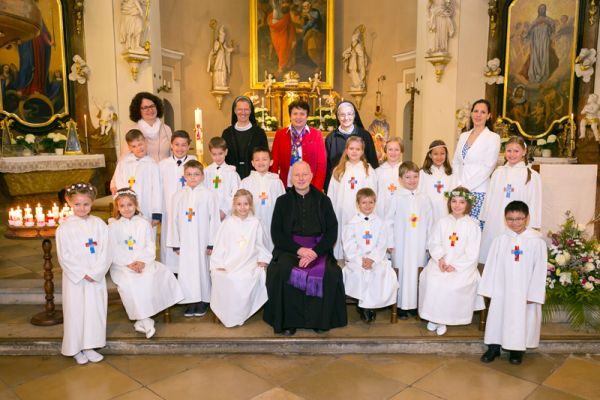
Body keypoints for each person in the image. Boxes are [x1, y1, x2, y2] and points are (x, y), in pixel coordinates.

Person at [263, 161, 347, 335]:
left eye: (304, 174)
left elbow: (332, 231)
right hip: (290, 250)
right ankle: (288, 322)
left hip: (318, 249)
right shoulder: (282, 201)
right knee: (283, 270)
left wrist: (315, 252)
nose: (301, 178)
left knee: (331, 273)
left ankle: (320, 320)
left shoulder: (324, 200)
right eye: (297, 175)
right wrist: (299, 250)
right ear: (291, 178)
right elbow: (277, 233)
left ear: (311, 176)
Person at [479, 201, 547, 365]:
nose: (514, 223)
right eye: (510, 219)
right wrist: (489, 289)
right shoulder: (500, 240)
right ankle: (494, 347)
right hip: (502, 288)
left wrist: (534, 293)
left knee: (520, 318)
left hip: (524, 290)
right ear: (505, 219)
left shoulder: (536, 241)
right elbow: (491, 265)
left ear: (527, 218)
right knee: (498, 316)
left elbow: (540, 269)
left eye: (519, 218)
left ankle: (517, 350)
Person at [109, 189, 184, 338]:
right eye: (122, 206)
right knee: (130, 281)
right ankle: (145, 320)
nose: (126, 209)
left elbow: (150, 245)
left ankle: (141, 320)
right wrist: (129, 263)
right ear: (117, 208)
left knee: (151, 275)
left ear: (136, 205)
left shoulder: (143, 223)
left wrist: (142, 261)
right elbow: (113, 248)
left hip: (144, 261)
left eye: (130, 205)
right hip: (122, 264)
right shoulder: (113, 226)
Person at [418, 187, 485, 336]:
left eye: (462, 202)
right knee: (431, 279)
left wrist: (455, 266)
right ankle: (434, 317)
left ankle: (442, 320)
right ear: (449, 203)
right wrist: (440, 259)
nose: (457, 205)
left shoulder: (472, 225)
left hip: (462, 266)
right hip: (441, 262)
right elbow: (434, 242)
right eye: (454, 201)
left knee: (449, 285)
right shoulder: (442, 222)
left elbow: (472, 253)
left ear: (468, 204)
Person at [56, 182, 110, 365]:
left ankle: (90, 346)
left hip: (95, 277)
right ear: (69, 203)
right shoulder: (65, 228)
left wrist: (96, 272)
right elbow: (64, 256)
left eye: (86, 204)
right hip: (76, 280)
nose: (82, 208)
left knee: (94, 311)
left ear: (92, 202)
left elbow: (107, 250)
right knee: (76, 312)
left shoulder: (99, 224)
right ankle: (75, 348)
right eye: (77, 204)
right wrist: (81, 273)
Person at [210, 189, 272, 327]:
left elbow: (260, 243)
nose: (242, 207)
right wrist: (218, 263)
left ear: (251, 205)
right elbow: (220, 244)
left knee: (243, 279)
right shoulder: (227, 223)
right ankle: (230, 314)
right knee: (228, 277)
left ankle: (241, 314)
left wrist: (263, 259)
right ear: (234, 205)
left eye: (246, 204)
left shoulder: (255, 223)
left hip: (249, 262)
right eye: (239, 204)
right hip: (229, 261)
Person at [167, 160, 220, 318]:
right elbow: (173, 220)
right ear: (184, 176)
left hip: (203, 240)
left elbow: (214, 219)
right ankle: (189, 301)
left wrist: (212, 243)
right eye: (189, 174)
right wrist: (175, 243)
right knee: (187, 271)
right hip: (185, 241)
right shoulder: (178, 196)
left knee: (202, 269)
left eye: (196, 174)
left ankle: (203, 300)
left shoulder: (209, 195)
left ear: (202, 176)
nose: (193, 177)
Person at [479, 136, 541, 263]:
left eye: (516, 151)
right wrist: (485, 216)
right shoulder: (498, 172)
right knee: (494, 254)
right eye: (509, 151)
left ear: (524, 152)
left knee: (513, 257)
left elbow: (535, 201)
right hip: (496, 219)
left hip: (518, 222)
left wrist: (534, 224)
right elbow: (490, 195)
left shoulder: (532, 175)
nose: (512, 154)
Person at [342, 188, 398, 323]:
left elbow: (382, 243)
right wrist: (361, 259)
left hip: (376, 259)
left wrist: (372, 259)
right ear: (358, 204)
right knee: (359, 273)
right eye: (364, 202)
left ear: (375, 203)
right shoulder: (351, 223)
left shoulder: (380, 222)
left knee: (378, 272)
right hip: (357, 260)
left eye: (371, 202)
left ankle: (369, 307)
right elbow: (349, 244)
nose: (367, 206)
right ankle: (363, 306)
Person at [385, 161, 433, 319]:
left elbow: (430, 222)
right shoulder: (396, 197)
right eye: (408, 177)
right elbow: (388, 221)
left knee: (417, 272)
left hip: (419, 243)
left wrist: (429, 243)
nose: (412, 180)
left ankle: (415, 305)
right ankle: (400, 306)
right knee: (402, 272)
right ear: (400, 179)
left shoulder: (424, 198)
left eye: (415, 176)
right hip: (401, 243)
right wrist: (390, 242)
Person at [451, 99, 501, 229]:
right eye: (476, 111)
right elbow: (456, 162)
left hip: (479, 191)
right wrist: (458, 184)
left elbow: (488, 167)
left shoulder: (493, 138)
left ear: (488, 116)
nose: (478, 115)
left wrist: (466, 187)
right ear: (471, 113)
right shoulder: (464, 136)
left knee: (474, 229)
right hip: (459, 189)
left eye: (483, 112)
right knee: (459, 229)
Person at [327, 136, 377, 260]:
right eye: (351, 148)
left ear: (362, 151)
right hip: (342, 211)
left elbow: (373, 193)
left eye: (358, 149)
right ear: (346, 150)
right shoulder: (338, 170)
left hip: (361, 212)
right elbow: (331, 194)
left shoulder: (368, 170)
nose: (354, 151)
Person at [158, 130, 197, 272]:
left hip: (189, 210)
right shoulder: (163, 164)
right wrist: (159, 211)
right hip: (168, 209)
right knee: (169, 239)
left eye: (184, 145)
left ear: (188, 146)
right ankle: (170, 271)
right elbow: (159, 189)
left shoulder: (194, 162)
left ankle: (187, 270)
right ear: (171, 145)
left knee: (188, 238)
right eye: (177, 144)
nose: (180, 148)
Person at [111, 129, 162, 232]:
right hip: (126, 210)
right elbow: (118, 185)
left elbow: (157, 190)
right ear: (130, 148)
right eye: (134, 146)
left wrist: (156, 213)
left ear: (145, 142)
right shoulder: (123, 163)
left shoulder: (152, 164)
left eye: (140, 144)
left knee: (145, 235)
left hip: (146, 207)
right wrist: (120, 207)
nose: (138, 148)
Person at [271, 99, 327, 190]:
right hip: (285, 185)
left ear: (307, 116)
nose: (298, 117)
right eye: (295, 114)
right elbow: (274, 162)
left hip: (309, 186)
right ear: (290, 116)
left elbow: (321, 164)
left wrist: (317, 189)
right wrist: (274, 185)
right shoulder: (280, 134)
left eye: (302, 114)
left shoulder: (316, 135)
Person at [324, 101, 379, 191]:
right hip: (339, 186)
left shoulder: (364, 135)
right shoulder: (331, 138)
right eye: (342, 115)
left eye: (349, 114)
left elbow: (373, 162)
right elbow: (327, 167)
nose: (346, 118)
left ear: (354, 115)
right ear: (338, 117)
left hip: (362, 185)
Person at [239, 147, 286, 251]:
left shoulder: (277, 182)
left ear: (271, 162)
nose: (261, 162)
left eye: (264, 159)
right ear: (252, 163)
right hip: (252, 222)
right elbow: (239, 204)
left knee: (271, 248)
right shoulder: (246, 182)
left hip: (272, 221)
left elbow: (283, 206)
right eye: (257, 160)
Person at [221, 96, 269, 180]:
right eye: (240, 109)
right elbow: (222, 156)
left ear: (250, 111)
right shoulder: (227, 133)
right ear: (235, 111)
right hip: (231, 177)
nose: (243, 112)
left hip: (254, 177)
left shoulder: (259, 133)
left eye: (246, 109)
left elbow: (265, 157)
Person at [121, 92, 172, 162]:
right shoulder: (132, 130)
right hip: (142, 168)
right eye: (145, 107)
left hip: (165, 168)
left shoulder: (166, 129)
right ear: (138, 110)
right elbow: (125, 158)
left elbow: (173, 153)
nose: (150, 110)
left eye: (152, 106)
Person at [204, 137, 241, 220]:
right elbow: (203, 192)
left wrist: (224, 210)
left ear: (226, 152)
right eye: (214, 154)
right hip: (210, 213)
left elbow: (236, 193)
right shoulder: (206, 172)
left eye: (220, 153)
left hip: (228, 214)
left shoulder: (232, 173)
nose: (218, 157)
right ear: (210, 153)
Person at [419, 140, 456, 225]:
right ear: (430, 155)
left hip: (446, 211)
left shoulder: (451, 173)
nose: (439, 157)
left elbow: (454, 193)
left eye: (442, 153)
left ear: (446, 155)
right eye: (435, 154)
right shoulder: (423, 173)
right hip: (428, 211)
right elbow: (419, 193)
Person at [375, 137, 403, 218]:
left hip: (401, 211)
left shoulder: (406, 171)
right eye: (390, 149)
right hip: (381, 212)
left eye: (396, 150)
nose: (393, 153)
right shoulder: (378, 172)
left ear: (401, 151)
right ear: (385, 151)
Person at [207, 26, 234, 90]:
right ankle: (217, 83)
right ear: (219, 36)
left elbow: (227, 50)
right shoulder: (216, 43)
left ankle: (223, 84)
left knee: (224, 70)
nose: (223, 38)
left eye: (224, 37)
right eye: (222, 36)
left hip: (223, 60)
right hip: (218, 60)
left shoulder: (224, 44)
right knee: (217, 70)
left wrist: (231, 49)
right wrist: (218, 47)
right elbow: (214, 51)